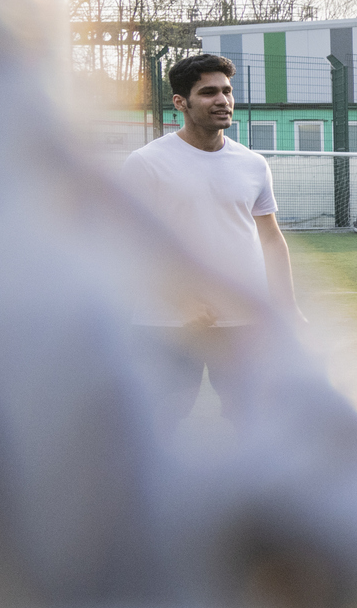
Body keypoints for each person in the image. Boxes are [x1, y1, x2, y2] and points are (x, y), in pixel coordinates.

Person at [119, 53, 302, 422]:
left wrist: (287, 307)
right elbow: (128, 248)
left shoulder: (252, 164)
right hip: (168, 324)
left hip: (241, 322)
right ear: (180, 102)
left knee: (252, 420)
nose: (222, 100)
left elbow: (270, 240)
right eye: (208, 92)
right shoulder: (145, 163)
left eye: (227, 91)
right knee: (159, 423)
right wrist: (181, 302)